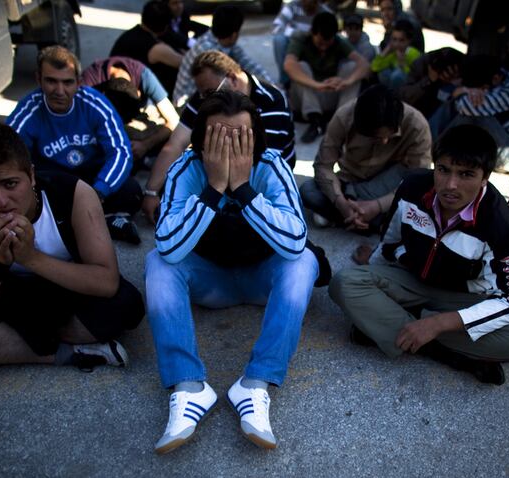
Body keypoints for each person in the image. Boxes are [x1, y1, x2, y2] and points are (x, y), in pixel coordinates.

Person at [145, 91, 319, 454]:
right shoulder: (185, 169)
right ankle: (188, 386)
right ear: (200, 142)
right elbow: (169, 246)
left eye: (241, 136)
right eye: (218, 136)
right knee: (157, 262)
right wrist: (213, 190)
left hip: (261, 281)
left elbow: (294, 242)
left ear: (256, 137)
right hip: (212, 284)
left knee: (303, 262)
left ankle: (255, 384)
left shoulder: (270, 166)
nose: (230, 145)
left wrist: (242, 189)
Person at [0, 123, 145, 372]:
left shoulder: (72, 193)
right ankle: (68, 353)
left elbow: (106, 282)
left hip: (63, 292)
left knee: (127, 304)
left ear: (31, 175)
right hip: (4, 297)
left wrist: (30, 257)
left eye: (10, 184)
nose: (0, 201)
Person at [329, 125, 509, 385]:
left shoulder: (500, 223)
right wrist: (372, 271)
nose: (450, 185)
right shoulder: (412, 188)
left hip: (462, 299)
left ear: (485, 178)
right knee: (345, 283)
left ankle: (391, 329)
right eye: (443, 170)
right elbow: (389, 242)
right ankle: (449, 355)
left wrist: (438, 324)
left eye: (466, 174)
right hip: (411, 281)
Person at [6, 46, 141, 245]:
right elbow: (7, 157)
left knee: (132, 191)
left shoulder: (95, 104)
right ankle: (99, 221)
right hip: (52, 181)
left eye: (67, 82)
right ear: (39, 79)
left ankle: (86, 220)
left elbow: (121, 152)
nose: (59, 91)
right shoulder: (28, 110)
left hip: (91, 180)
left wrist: (99, 192)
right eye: (51, 81)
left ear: (78, 82)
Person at [142, 51, 296, 223]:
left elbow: (262, 164)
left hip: (259, 180)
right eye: (202, 94)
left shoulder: (271, 101)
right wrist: (152, 191)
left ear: (232, 78)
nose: (204, 99)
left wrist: (215, 188)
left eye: (209, 92)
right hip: (222, 174)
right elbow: (176, 143)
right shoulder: (205, 97)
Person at [301, 84, 432, 232]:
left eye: (390, 136)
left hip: (385, 185)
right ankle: (369, 220)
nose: (384, 142)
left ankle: (349, 217)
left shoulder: (417, 125)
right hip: (349, 180)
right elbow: (323, 166)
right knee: (308, 190)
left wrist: (377, 206)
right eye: (376, 137)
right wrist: (341, 204)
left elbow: (419, 181)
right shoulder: (344, 116)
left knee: (415, 199)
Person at [430, 54, 509, 171]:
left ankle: (438, 146)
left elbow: (464, 106)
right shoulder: (498, 76)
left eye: (482, 89)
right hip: (501, 139)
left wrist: (461, 91)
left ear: (495, 79)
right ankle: (432, 141)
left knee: (472, 114)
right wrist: (464, 90)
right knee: (457, 103)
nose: (479, 93)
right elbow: (443, 96)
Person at [284, 11, 371, 143]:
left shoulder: (339, 42)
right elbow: (289, 65)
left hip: (329, 93)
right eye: (320, 43)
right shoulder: (300, 38)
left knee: (352, 67)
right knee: (300, 67)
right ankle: (316, 120)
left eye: (327, 43)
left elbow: (363, 64)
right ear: (312, 33)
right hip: (307, 97)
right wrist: (316, 84)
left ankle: (342, 119)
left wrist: (346, 82)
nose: (323, 48)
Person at [81, 56, 180, 162]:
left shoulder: (145, 77)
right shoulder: (86, 87)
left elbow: (174, 120)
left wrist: (145, 145)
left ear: (139, 93)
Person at [172, 5, 275, 108]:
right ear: (234, 35)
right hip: (186, 106)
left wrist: (273, 87)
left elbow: (249, 64)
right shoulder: (207, 54)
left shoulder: (219, 40)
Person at [110, 0, 184, 96]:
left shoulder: (134, 33)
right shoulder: (155, 48)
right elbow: (184, 63)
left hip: (117, 85)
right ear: (165, 26)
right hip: (129, 93)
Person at [272, 0, 333, 85]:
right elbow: (276, 27)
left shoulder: (325, 13)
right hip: (293, 41)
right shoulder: (292, 6)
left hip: (313, 45)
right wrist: (296, 33)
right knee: (279, 40)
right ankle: (285, 81)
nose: (307, 3)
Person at [398, 47, 464, 118]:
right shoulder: (422, 65)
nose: (449, 79)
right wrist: (428, 80)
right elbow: (405, 96)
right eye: (447, 75)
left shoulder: (460, 72)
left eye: (454, 76)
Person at [370, 19, 421, 90]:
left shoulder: (413, 54)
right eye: (394, 39)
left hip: (405, 90)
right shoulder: (392, 51)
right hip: (388, 87)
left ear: (409, 40)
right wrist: (385, 52)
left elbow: (415, 76)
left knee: (397, 75)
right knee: (383, 72)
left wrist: (402, 64)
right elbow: (374, 67)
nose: (397, 44)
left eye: (401, 40)